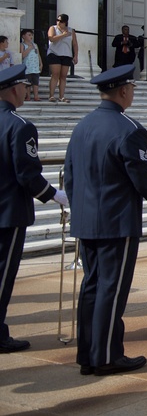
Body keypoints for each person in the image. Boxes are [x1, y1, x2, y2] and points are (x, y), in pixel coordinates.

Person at [64, 64, 147, 375]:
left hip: (86, 219)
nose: (133, 92)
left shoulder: (82, 125)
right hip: (116, 220)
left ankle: (89, 354)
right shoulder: (129, 129)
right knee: (111, 288)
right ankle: (106, 355)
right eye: (131, 87)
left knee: (92, 286)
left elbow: (70, 176)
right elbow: (141, 175)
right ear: (122, 91)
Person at [1, 65, 68, 353]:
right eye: (26, 88)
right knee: (3, 275)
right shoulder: (20, 126)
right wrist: (55, 195)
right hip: (8, 212)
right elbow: (27, 175)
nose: (28, 92)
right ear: (15, 89)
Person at [47, 13, 78, 103]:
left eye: (60, 21)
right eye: (57, 20)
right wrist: (63, 35)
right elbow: (51, 38)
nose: (58, 22)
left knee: (63, 76)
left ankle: (62, 96)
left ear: (65, 22)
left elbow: (75, 44)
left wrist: (75, 55)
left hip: (66, 54)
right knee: (55, 74)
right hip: (54, 53)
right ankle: (51, 95)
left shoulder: (71, 31)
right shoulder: (53, 28)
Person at [19, 30, 42, 102]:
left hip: (35, 67)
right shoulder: (22, 45)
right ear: (23, 36)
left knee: (35, 82)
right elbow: (22, 55)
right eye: (29, 35)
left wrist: (40, 63)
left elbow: (38, 54)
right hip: (27, 67)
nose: (31, 36)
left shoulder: (35, 45)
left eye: (31, 35)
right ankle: (28, 96)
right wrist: (29, 48)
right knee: (27, 83)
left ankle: (36, 96)